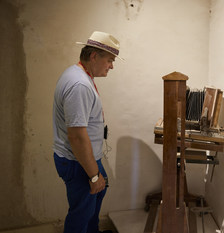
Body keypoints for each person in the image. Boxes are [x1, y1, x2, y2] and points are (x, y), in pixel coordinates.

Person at [53, 31, 123, 233]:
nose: (111, 66)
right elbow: (76, 136)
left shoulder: (79, 75)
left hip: (84, 158)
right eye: (109, 60)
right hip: (78, 161)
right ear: (94, 56)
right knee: (81, 213)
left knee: (91, 205)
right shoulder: (79, 85)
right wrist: (93, 176)